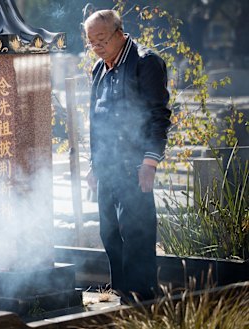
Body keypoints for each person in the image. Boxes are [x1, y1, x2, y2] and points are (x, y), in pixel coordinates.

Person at [83, 9, 172, 303]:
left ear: (120, 34)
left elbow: (158, 115)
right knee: (109, 234)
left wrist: (150, 162)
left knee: (136, 234)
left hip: (136, 165)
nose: (96, 46)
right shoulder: (99, 69)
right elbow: (96, 122)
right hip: (107, 165)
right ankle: (122, 294)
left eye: (101, 39)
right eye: (91, 41)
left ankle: (142, 299)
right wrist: (93, 166)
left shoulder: (145, 63)